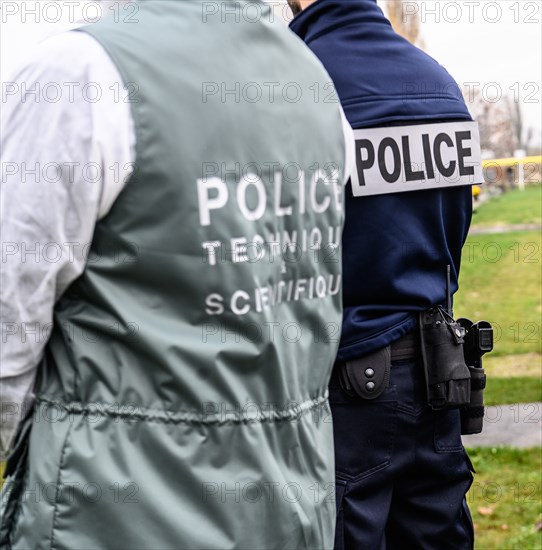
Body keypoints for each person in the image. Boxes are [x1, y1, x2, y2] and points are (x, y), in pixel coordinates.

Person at [0, 1, 353, 548]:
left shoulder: (77, 72)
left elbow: (8, 329)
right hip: (291, 512)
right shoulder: (314, 81)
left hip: (109, 516)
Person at [288, 1, 483, 548]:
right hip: (438, 376)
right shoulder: (436, 80)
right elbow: (454, 231)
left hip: (343, 389)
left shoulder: (296, 80)